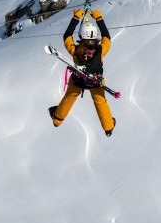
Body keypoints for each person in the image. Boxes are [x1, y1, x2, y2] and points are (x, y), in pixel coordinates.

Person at [49, 8, 117, 136]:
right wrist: (99, 18)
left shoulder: (75, 50)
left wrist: (76, 18)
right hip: (96, 82)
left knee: (69, 97)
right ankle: (108, 127)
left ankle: (57, 119)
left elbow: (67, 36)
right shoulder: (101, 50)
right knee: (100, 101)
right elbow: (106, 37)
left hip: (77, 81)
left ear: (80, 35)